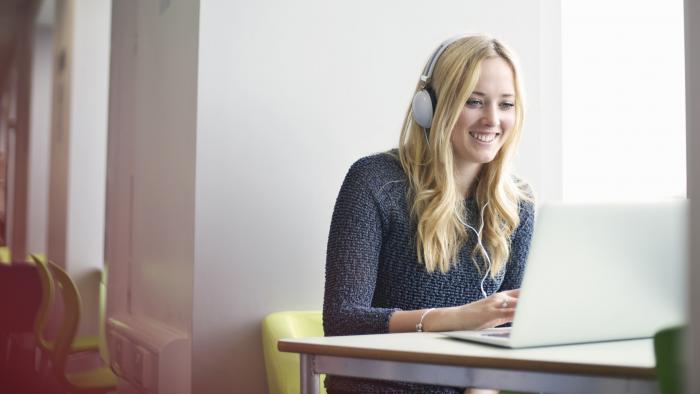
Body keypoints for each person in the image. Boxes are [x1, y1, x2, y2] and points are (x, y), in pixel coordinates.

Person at [323, 34, 536, 394]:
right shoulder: (375, 181)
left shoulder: (517, 204)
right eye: (474, 101)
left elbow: (513, 328)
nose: (492, 119)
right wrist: (457, 319)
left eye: (506, 105)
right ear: (430, 107)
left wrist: (482, 387)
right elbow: (343, 319)